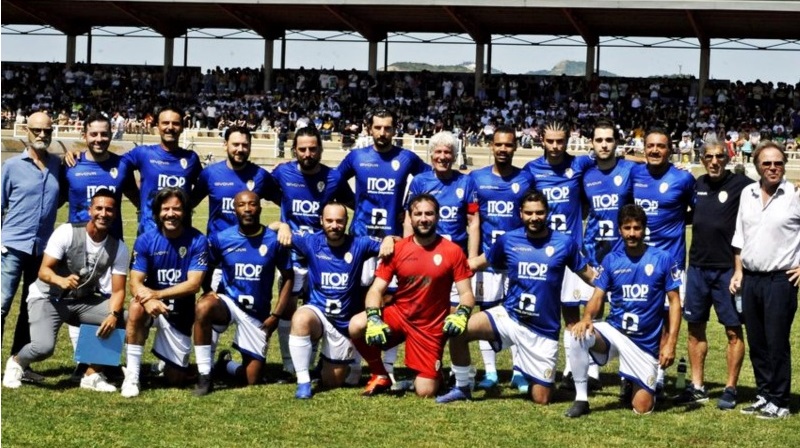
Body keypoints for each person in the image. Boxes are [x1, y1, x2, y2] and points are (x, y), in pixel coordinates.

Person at [439, 190, 594, 404]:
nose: (534, 218)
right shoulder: (508, 240)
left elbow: (590, 275)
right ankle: (463, 386)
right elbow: (476, 263)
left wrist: (621, 284)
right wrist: (439, 267)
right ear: (520, 213)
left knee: (541, 398)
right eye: (529, 213)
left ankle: (532, 372)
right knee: (458, 329)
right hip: (509, 316)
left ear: (547, 213)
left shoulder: (564, 243)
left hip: (543, 329)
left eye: (539, 212)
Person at [349, 194, 475, 398]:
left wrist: (462, 312)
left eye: (429, 213)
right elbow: (375, 290)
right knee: (356, 325)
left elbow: (467, 294)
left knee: (425, 391)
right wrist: (373, 317)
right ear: (409, 217)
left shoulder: (453, 251)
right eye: (418, 214)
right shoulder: (397, 249)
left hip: (429, 326)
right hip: (399, 316)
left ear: (437, 217)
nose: (423, 219)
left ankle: (435, 376)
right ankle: (380, 373)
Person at [336, 108, 429, 384]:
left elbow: (427, 182)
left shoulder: (406, 157)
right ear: (368, 128)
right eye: (377, 127)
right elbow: (334, 182)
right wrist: (355, 203)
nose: (382, 133)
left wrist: (406, 209)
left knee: (390, 303)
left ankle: (386, 365)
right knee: (357, 302)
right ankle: (356, 363)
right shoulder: (357, 157)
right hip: (362, 242)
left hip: (393, 244)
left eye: (388, 128)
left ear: (394, 129)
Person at [3, 190, 128, 391]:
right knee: (43, 348)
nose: (103, 213)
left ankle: (91, 374)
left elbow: (119, 290)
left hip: (81, 301)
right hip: (48, 297)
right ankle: (17, 362)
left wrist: (113, 314)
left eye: (109, 209)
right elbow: (43, 270)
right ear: (90, 211)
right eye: (99, 208)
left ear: (115, 214)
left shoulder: (118, 247)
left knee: (125, 317)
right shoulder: (67, 231)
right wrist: (60, 280)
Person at [564, 204, 681, 417]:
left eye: (637, 228)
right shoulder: (611, 260)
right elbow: (598, 296)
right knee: (578, 334)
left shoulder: (662, 259)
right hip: (615, 331)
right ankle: (581, 399)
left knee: (642, 408)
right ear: (620, 230)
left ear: (644, 229)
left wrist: (671, 343)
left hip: (644, 343)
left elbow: (674, 302)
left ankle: (631, 381)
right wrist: (587, 317)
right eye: (627, 228)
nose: (632, 233)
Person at [284, 202, 394, 399]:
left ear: (346, 222)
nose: (334, 225)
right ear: (321, 221)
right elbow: (274, 228)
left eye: (339, 221)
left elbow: (400, 244)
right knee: (300, 318)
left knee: (333, 382)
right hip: (317, 313)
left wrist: (390, 238)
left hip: (343, 322)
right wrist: (282, 226)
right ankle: (303, 382)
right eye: (329, 221)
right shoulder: (310, 241)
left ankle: (324, 365)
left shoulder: (359, 244)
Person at [271, 126, 354, 378]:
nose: (307, 153)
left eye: (312, 148)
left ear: (320, 149)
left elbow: (355, 204)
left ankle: (315, 361)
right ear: (294, 150)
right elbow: (261, 194)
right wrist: (282, 224)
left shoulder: (334, 178)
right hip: (293, 254)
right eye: (302, 149)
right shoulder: (282, 172)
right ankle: (289, 363)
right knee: (288, 306)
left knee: (317, 308)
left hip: (324, 256)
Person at [674, 142, 753, 409]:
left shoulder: (741, 184)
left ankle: (730, 388)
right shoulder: (697, 184)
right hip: (696, 268)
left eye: (720, 156)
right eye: (709, 157)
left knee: (733, 331)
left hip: (727, 271)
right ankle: (697, 386)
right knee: (695, 328)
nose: (715, 161)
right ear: (703, 159)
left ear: (728, 158)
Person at [192, 190, 293, 396]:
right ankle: (204, 374)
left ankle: (225, 365)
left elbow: (289, 277)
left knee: (251, 379)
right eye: (242, 205)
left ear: (260, 208)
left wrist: (276, 315)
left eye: (252, 204)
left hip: (257, 312)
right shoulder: (222, 238)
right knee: (203, 307)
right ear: (234, 209)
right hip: (228, 302)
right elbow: (206, 265)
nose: (247, 209)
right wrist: (208, 291)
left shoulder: (273, 240)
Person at [524, 120, 598, 390]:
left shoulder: (578, 165)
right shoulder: (532, 170)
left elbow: (614, 157)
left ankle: (576, 369)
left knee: (574, 313)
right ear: (541, 139)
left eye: (561, 141)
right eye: (550, 141)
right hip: (541, 253)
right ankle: (531, 367)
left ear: (568, 140)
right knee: (540, 311)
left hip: (571, 253)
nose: (555, 147)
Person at [730, 141, 800, 419]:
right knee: (757, 340)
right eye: (767, 163)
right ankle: (764, 394)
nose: (773, 168)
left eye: (778, 163)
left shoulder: (794, 194)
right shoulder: (747, 193)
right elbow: (740, 236)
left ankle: (781, 401)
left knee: (776, 341)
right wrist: (738, 271)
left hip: (780, 281)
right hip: (751, 280)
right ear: (757, 165)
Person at [122, 187, 208, 398]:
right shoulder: (146, 240)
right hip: (150, 307)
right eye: (165, 209)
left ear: (186, 212)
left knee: (175, 380)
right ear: (158, 212)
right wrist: (147, 300)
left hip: (179, 312)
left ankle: (164, 364)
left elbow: (193, 284)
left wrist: (156, 295)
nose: (171, 214)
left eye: (177, 209)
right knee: (135, 308)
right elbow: (134, 282)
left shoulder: (198, 240)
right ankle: (132, 376)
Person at [467, 125, 535, 391]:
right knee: (486, 313)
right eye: (499, 145)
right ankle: (491, 372)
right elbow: (473, 219)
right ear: (491, 146)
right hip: (487, 261)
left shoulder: (526, 178)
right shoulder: (477, 178)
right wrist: (473, 258)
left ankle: (519, 371)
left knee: (519, 315)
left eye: (508, 145)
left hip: (518, 260)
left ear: (515, 146)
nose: (503, 149)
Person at [632, 127, 695, 394]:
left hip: (671, 262)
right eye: (651, 146)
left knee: (668, 318)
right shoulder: (634, 174)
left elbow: (699, 212)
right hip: (638, 260)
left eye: (661, 146)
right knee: (639, 317)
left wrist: (678, 221)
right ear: (643, 148)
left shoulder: (683, 179)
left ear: (670, 149)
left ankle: (657, 374)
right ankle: (634, 372)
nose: (655, 150)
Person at [1, 111, 63, 379]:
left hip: (42, 250)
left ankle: (19, 363)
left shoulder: (59, 165)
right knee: (2, 305)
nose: (42, 135)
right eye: (37, 130)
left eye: (47, 131)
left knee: (32, 307)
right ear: (26, 130)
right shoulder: (12, 167)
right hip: (12, 247)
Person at [121, 106, 202, 236]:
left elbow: (204, 186)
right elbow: (114, 165)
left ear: (182, 127)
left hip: (182, 236)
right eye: (165, 123)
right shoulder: (143, 153)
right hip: (149, 234)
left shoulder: (191, 158)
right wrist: (135, 196)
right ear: (157, 126)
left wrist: (188, 205)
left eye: (175, 123)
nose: (170, 127)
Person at [64, 114, 139, 240]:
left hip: (111, 245)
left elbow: (139, 201)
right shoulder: (70, 165)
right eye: (93, 134)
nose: (99, 139)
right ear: (84, 136)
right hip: (77, 244)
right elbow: (55, 201)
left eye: (104, 134)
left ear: (111, 134)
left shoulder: (122, 165)